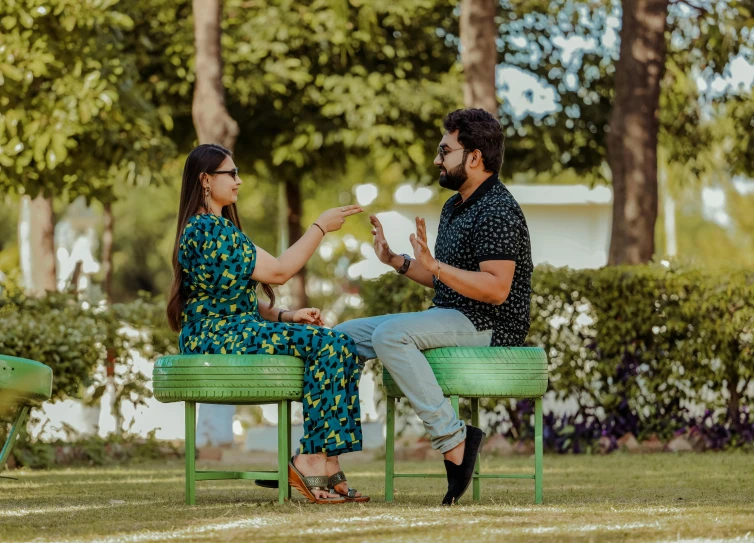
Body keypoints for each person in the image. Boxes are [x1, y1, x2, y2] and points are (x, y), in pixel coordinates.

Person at [335, 108, 533, 505]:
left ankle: (455, 441)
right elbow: (441, 275)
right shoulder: (455, 206)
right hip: (452, 315)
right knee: (340, 337)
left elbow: (496, 290)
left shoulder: (498, 209)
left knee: (391, 334)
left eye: (445, 150)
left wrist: (437, 266)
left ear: (474, 157)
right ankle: (324, 458)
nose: (437, 159)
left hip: (489, 324)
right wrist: (396, 260)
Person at [167, 143, 369, 504]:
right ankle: (309, 459)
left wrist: (287, 316)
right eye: (232, 173)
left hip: (232, 330)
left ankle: (326, 458)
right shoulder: (207, 230)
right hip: (214, 337)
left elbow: (235, 297)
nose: (239, 181)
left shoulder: (218, 228)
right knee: (329, 343)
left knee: (337, 342)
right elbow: (278, 272)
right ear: (206, 180)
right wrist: (320, 227)